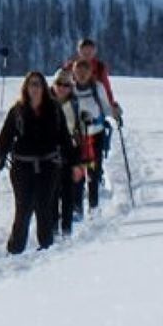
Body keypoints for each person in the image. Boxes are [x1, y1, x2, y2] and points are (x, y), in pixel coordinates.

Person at [0, 72, 80, 254]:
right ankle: (15, 249)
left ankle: (46, 248)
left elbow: (64, 138)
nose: (35, 88)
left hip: (48, 166)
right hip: (22, 167)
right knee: (23, 208)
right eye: (31, 84)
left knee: (43, 207)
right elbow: (5, 137)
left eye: (38, 84)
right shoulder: (17, 110)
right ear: (26, 87)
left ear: (44, 87)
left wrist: (75, 163)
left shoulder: (54, 109)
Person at [67, 56, 115, 210]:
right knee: (78, 172)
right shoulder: (69, 88)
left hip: (95, 135)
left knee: (93, 171)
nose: (81, 74)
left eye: (85, 71)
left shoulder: (97, 87)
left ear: (90, 72)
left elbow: (106, 107)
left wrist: (115, 113)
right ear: (73, 72)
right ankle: (77, 206)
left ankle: (93, 205)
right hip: (77, 137)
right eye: (78, 71)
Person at [50, 68, 86, 233]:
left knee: (68, 189)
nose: (62, 88)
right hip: (48, 152)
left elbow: (81, 129)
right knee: (51, 191)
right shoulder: (44, 101)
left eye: (66, 85)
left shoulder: (76, 104)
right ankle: (51, 229)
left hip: (70, 150)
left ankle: (66, 229)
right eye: (59, 84)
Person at [63, 38, 125, 126]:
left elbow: (106, 90)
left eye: (90, 52)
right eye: (85, 52)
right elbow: (59, 87)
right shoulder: (70, 66)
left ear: (94, 52)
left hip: (95, 110)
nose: (87, 55)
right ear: (79, 51)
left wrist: (112, 108)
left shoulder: (99, 68)